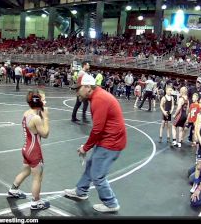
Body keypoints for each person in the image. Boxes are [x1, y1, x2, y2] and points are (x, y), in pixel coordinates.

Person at [65, 74, 127, 213]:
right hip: (108, 139)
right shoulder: (98, 96)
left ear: (87, 87)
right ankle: (80, 191)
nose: (76, 92)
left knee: (97, 175)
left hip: (111, 142)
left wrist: (85, 148)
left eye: (78, 88)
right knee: (91, 165)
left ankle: (111, 203)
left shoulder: (99, 99)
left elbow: (98, 129)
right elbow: (100, 128)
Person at [8, 90, 50, 210]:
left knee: (26, 171)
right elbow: (45, 134)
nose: (45, 101)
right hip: (34, 151)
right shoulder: (36, 118)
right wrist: (46, 118)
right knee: (37, 178)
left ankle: (13, 190)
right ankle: (36, 202)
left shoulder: (27, 113)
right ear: (38, 102)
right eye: (43, 99)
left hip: (26, 148)